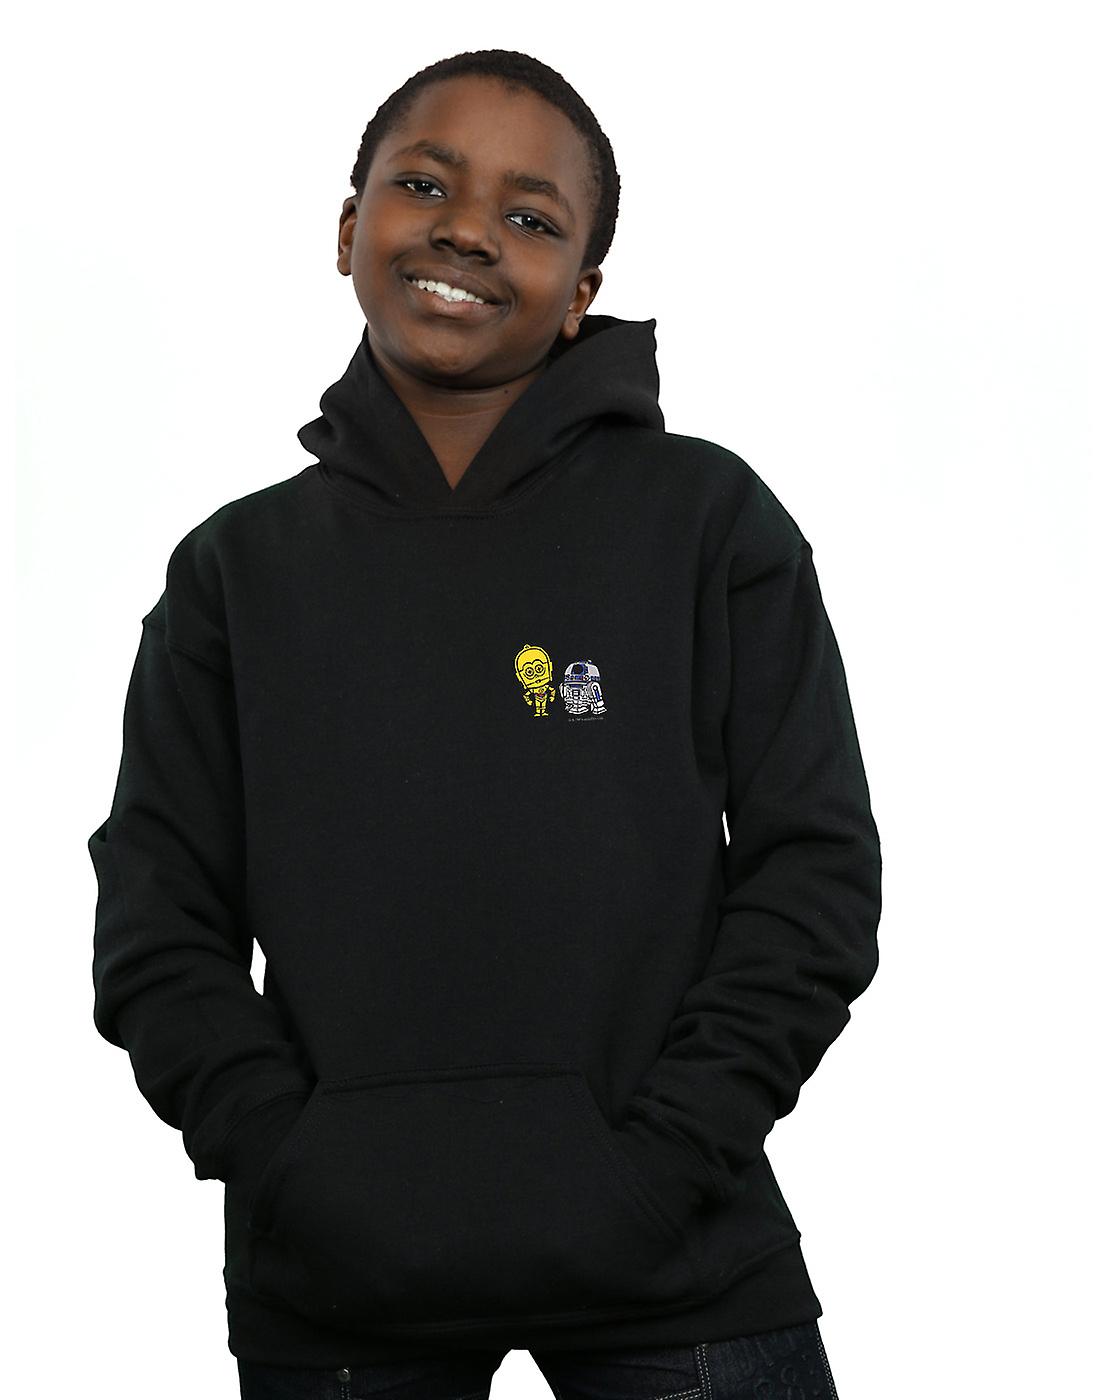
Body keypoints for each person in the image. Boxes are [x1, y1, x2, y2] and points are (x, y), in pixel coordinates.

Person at [88, 48, 879, 1400]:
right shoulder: (237, 572)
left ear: (582, 294)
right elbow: (158, 919)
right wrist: (287, 1161)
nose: (466, 230)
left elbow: (815, 875)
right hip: (339, 1279)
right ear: (348, 228)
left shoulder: (706, 523)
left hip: (680, 1255)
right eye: (424, 186)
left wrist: (668, 1158)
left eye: (529, 215)